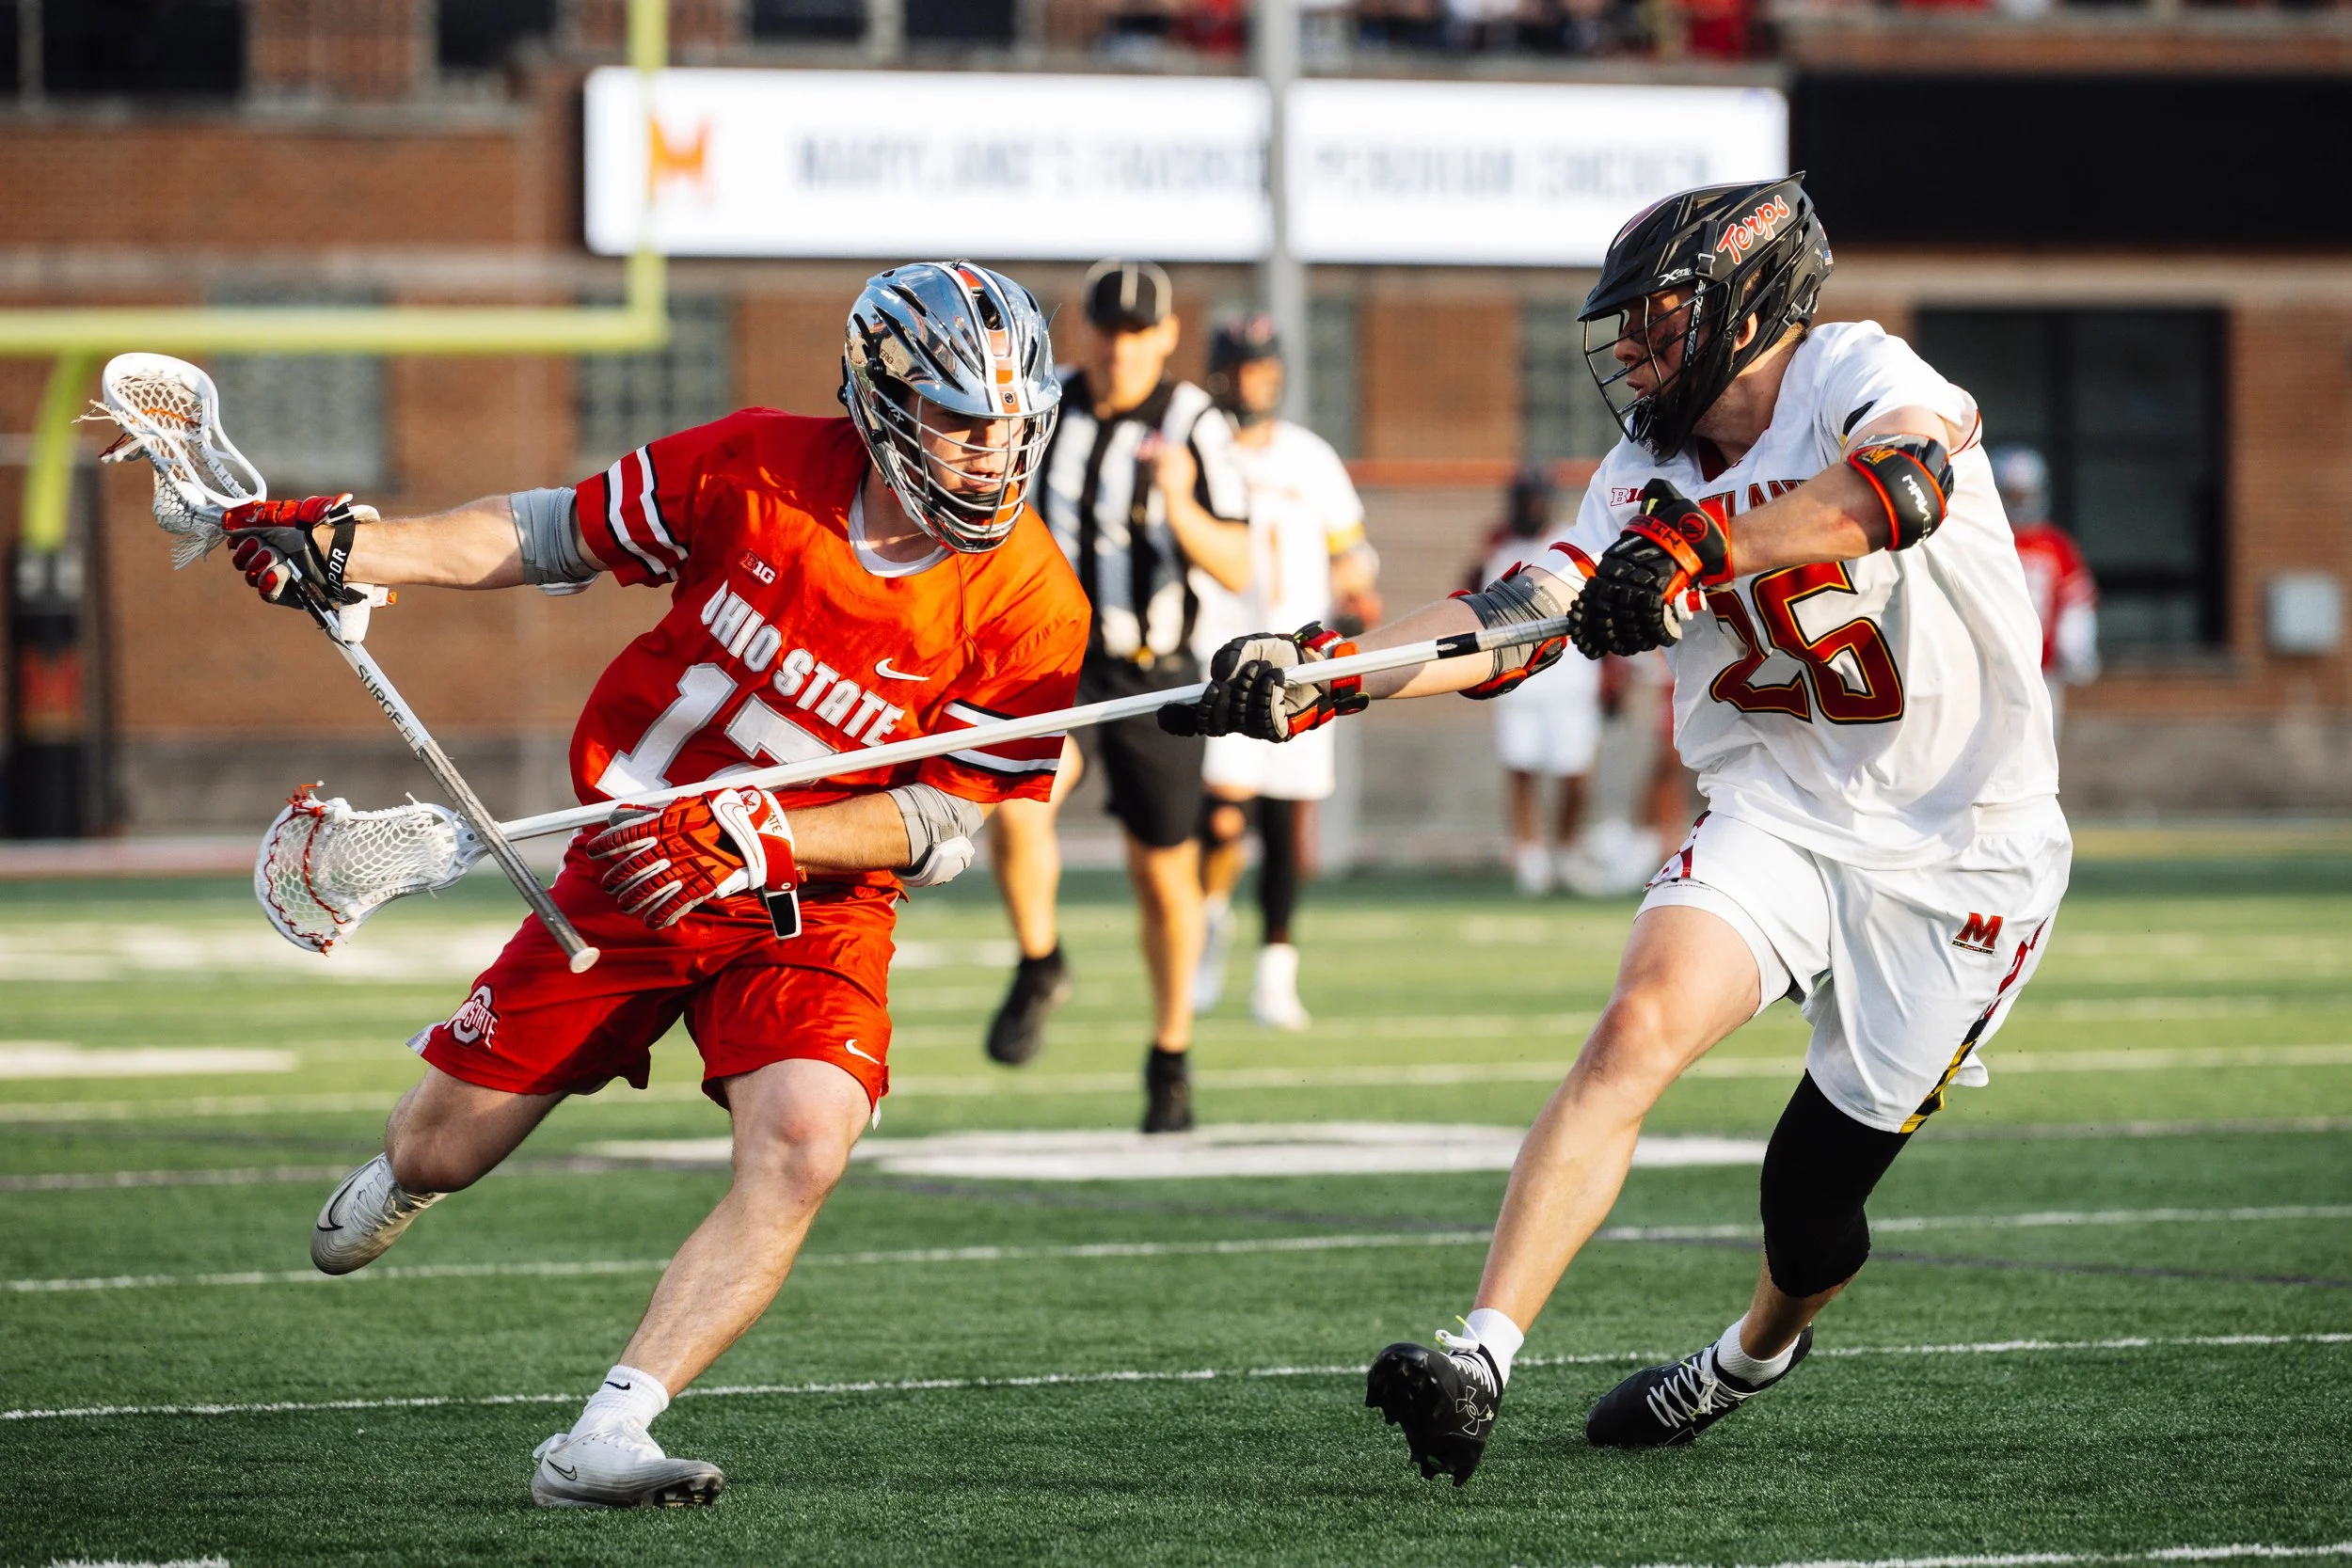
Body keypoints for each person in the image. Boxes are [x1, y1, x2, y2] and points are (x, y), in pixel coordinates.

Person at [1177, 176, 2069, 1481]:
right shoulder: (1637, 472)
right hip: (1778, 803)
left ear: (1747, 303)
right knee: (1636, 1020)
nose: (1635, 349)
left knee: (1807, 1200)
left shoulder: (1853, 370)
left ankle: (1751, 1354)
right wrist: (1329, 675)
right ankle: (1480, 1356)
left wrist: (1703, 547)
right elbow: (1515, 618)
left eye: (1660, 316)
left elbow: (1903, 483)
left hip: (1963, 836)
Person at [223, 262, 1087, 1509]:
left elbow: (949, 817)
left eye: (1011, 424)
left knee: (805, 1138)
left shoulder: (1034, 602)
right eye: (960, 420)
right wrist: (362, 546)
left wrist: (768, 837)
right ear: (883, 404)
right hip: (634, 862)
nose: (990, 452)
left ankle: (608, 1429)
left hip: (812, 896)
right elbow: (543, 532)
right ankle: (405, 1172)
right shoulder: (756, 466)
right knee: (440, 1146)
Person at [982, 258, 1251, 1132]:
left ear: (1167, 335)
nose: (1121, 347)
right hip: (1056, 662)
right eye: (1108, 328)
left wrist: (1178, 504)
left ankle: (1170, 1056)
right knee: (1014, 804)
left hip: (1157, 669)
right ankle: (1040, 959)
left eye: (1140, 331)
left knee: (1164, 876)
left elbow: (1238, 562)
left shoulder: (1194, 422)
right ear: (1084, 331)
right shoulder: (1042, 405)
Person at [1189, 311, 1381, 1028]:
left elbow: (1349, 551)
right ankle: (1208, 928)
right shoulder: (1199, 451)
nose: (1252, 383)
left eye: (1263, 369)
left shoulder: (1310, 458)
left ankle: (1276, 968)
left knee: (1283, 824)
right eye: (1241, 369)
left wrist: (1357, 590)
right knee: (1223, 814)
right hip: (1218, 653)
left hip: (1298, 661)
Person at [1471, 465, 1604, 898]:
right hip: (1517, 681)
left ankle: (1566, 848)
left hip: (1570, 678)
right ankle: (1528, 850)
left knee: (1575, 772)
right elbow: (1472, 604)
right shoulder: (1499, 548)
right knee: (1521, 768)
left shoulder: (1569, 541)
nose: (1531, 508)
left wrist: (1613, 672)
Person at [1994, 444, 2099, 738]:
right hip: (1989, 669)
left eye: (2025, 494)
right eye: (2012, 495)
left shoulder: (2056, 545)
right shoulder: (1984, 542)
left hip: (2042, 670)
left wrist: (2076, 647)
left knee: (2040, 747)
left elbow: (2076, 603)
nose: (2020, 503)